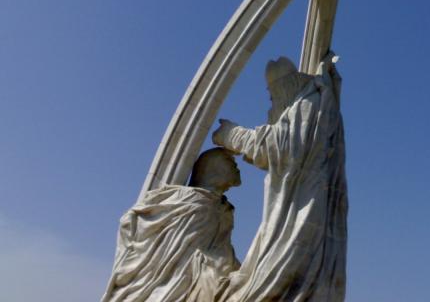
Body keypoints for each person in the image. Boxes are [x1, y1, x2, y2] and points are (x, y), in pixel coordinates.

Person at [213, 55, 348, 301]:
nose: (271, 104)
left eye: (272, 96)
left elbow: (276, 147)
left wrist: (231, 135)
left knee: (266, 286)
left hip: (300, 216)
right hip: (306, 210)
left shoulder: (308, 105)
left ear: (284, 88)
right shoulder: (318, 104)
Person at [101, 149, 241, 302]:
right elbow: (171, 254)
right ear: (214, 169)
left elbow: (221, 248)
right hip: (180, 282)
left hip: (213, 273)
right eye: (230, 162)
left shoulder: (222, 209)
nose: (236, 168)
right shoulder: (189, 201)